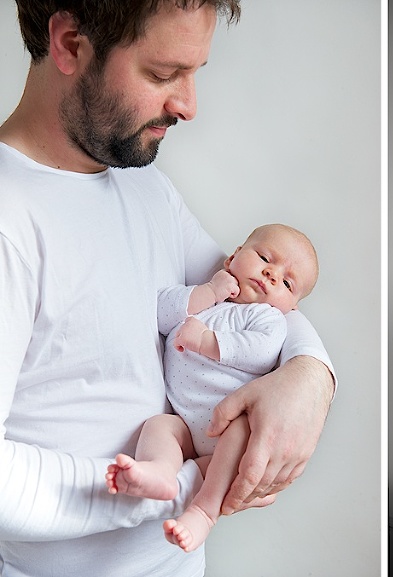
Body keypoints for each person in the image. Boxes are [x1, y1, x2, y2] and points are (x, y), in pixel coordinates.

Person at [0, 3, 335, 576]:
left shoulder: (146, 186)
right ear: (70, 44)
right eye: (163, 75)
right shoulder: (10, 220)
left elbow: (251, 288)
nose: (188, 105)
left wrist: (312, 378)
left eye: (194, 72)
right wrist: (190, 484)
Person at [105, 223, 319, 552]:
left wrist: (208, 341)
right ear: (233, 256)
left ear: (292, 308)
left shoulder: (268, 318)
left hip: (226, 430)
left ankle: (204, 513)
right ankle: (162, 470)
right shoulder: (206, 296)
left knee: (240, 435)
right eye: (265, 257)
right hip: (183, 421)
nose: (272, 275)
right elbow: (159, 311)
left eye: (287, 283)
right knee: (160, 426)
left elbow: (261, 352)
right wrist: (209, 292)